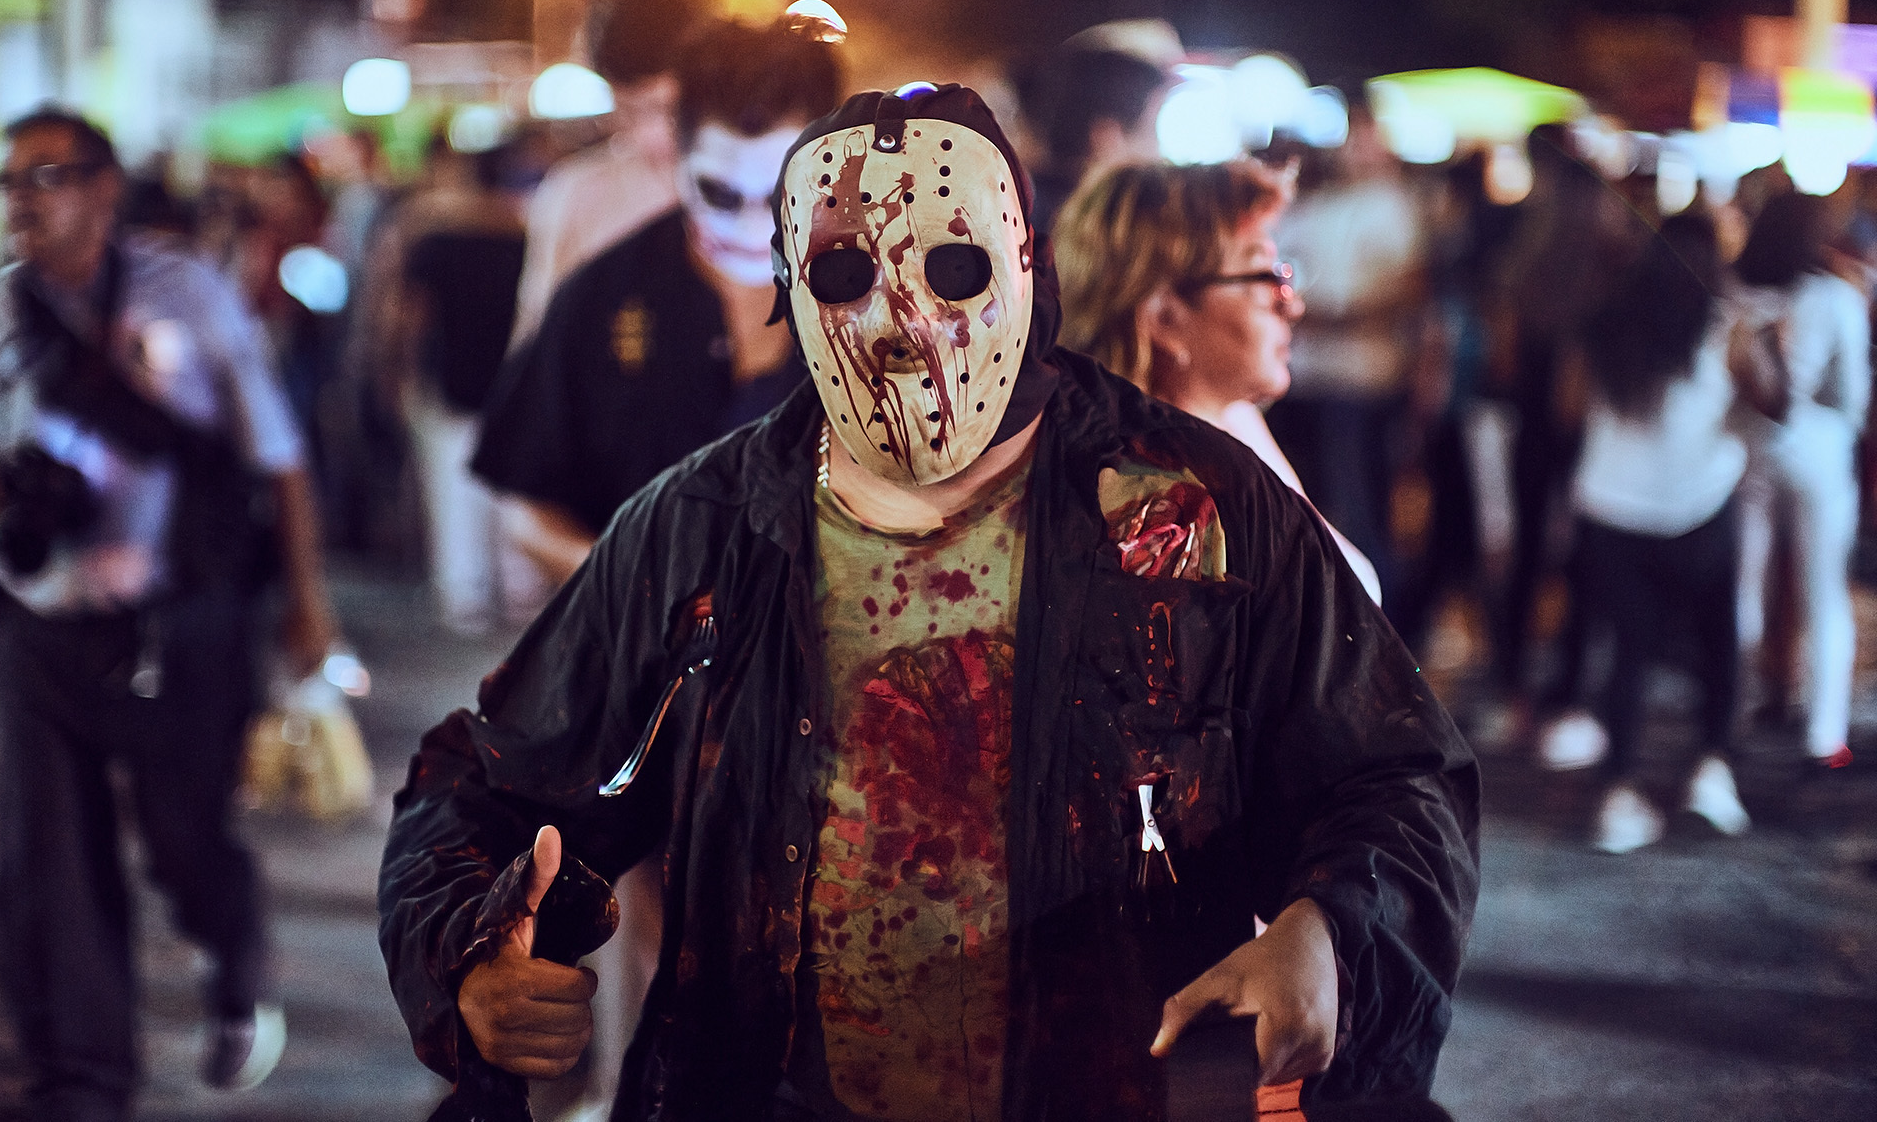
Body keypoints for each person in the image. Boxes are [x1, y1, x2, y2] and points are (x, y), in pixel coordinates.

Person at [381, 85, 1479, 1120]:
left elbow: (1390, 770)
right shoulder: (704, 526)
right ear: (788, 289)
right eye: (845, 275)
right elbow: (486, 778)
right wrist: (470, 957)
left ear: (1025, 268)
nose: (900, 323)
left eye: (951, 267)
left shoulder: (1200, 509)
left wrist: (1329, 929)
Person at [0, 109, 343, 1118]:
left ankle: (231, 953)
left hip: (177, 626)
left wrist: (307, 605)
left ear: (104, 190)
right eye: (9, 181)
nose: (22, 198)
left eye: (46, 176)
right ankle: (85, 1080)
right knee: (48, 871)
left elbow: (276, 456)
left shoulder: (186, 296)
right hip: (41, 630)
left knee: (186, 835)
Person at [465, 15, 843, 1120]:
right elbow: (520, 505)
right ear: (672, 156)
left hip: (849, 703)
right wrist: (644, 584)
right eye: (715, 193)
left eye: (775, 199)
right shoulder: (606, 296)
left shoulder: (879, 297)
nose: (743, 229)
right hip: (657, 703)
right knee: (666, 941)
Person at [1055, 160, 1382, 601]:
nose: (1292, 305)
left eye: (1284, 273)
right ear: (1166, 319)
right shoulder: (1160, 512)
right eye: (1264, 276)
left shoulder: (1233, 422)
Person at [1569, 213, 1754, 854]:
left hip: (1610, 507)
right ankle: (1711, 768)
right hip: (1700, 503)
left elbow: (1568, 407)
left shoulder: (1604, 321)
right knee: (1716, 643)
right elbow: (1772, 399)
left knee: (1628, 651)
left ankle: (1619, 793)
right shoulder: (1726, 324)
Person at [365, 138, 542, 633]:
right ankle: (520, 591)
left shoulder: (434, 238)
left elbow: (410, 316)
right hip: (512, 381)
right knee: (509, 488)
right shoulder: (525, 236)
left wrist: (395, 369)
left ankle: (466, 595)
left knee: (453, 488)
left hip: (450, 381)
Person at [1266, 108, 1429, 610]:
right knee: (1305, 513)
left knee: (1359, 516)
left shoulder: (1393, 206)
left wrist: (1326, 317)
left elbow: (1403, 289)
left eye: (1367, 140)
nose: (1355, 150)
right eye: (1351, 139)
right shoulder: (1320, 202)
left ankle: (1380, 628)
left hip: (1358, 384)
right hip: (1303, 380)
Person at [1730, 193, 1871, 768]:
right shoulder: (1837, 296)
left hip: (1746, 449)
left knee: (1745, 584)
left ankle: (1736, 707)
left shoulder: (1735, 290)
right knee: (1823, 593)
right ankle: (1824, 733)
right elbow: (1854, 394)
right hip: (1819, 452)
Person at [510, 0, 703, 345]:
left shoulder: (743, 190)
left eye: (665, 109)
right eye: (628, 112)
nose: (650, 135)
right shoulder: (576, 193)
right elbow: (536, 347)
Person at [1014, 45, 1172, 237]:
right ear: (1107, 136)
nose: (1159, 150)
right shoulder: (1105, 239)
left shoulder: (1014, 211)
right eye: (1153, 130)